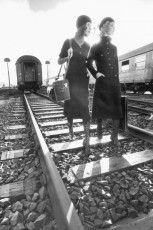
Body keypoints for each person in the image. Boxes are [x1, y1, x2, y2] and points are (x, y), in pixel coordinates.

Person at [58, 15, 92, 154]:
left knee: (85, 107)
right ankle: (71, 130)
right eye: (88, 26)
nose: (89, 29)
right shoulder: (68, 42)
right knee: (70, 106)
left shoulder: (88, 45)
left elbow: (88, 62)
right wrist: (67, 56)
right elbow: (59, 61)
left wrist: (90, 70)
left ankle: (87, 139)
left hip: (83, 80)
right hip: (71, 80)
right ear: (81, 26)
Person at [86, 17, 123, 147]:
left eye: (114, 26)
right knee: (100, 109)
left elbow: (116, 66)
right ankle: (99, 133)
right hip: (102, 82)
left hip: (113, 83)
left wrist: (117, 82)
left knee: (116, 110)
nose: (114, 28)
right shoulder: (95, 46)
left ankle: (114, 136)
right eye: (111, 25)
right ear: (103, 27)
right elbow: (88, 62)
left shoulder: (114, 47)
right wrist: (96, 74)